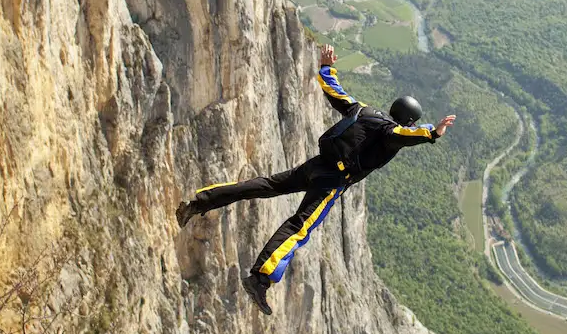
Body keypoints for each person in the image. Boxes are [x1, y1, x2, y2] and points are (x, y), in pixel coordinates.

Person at [176, 44, 456, 315]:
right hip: (332, 180)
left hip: (317, 165)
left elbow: (336, 93)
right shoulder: (392, 132)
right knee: (300, 226)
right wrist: (433, 132)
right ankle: (261, 278)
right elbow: (407, 136)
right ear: (408, 120)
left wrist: (326, 68)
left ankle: (197, 203)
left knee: (266, 185)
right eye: (413, 123)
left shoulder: (362, 109)